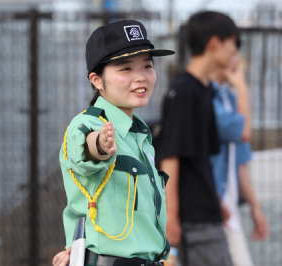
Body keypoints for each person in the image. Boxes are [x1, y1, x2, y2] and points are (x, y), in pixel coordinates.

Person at [53, 20, 174, 266]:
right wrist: (100, 145)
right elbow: (86, 150)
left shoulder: (139, 134)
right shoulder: (87, 125)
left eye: (147, 66)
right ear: (97, 80)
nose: (141, 77)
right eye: (126, 69)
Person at [157, 11, 241, 266]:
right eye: (233, 44)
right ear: (215, 43)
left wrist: (215, 198)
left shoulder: (203, 89)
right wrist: (170, 214)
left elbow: (200, 158)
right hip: (195, 217)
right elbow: (170, 155)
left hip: (205, 210)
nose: (235, 52)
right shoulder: (185, 91)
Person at [210, 53, 269, 266]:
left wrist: (255, 206)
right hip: (212, 207)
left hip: (228, 209)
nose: (238, 59)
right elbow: (243, 133)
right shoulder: (206, 99)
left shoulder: (229, 97)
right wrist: (243, 88)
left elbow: (238, 161)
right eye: (233, 51)